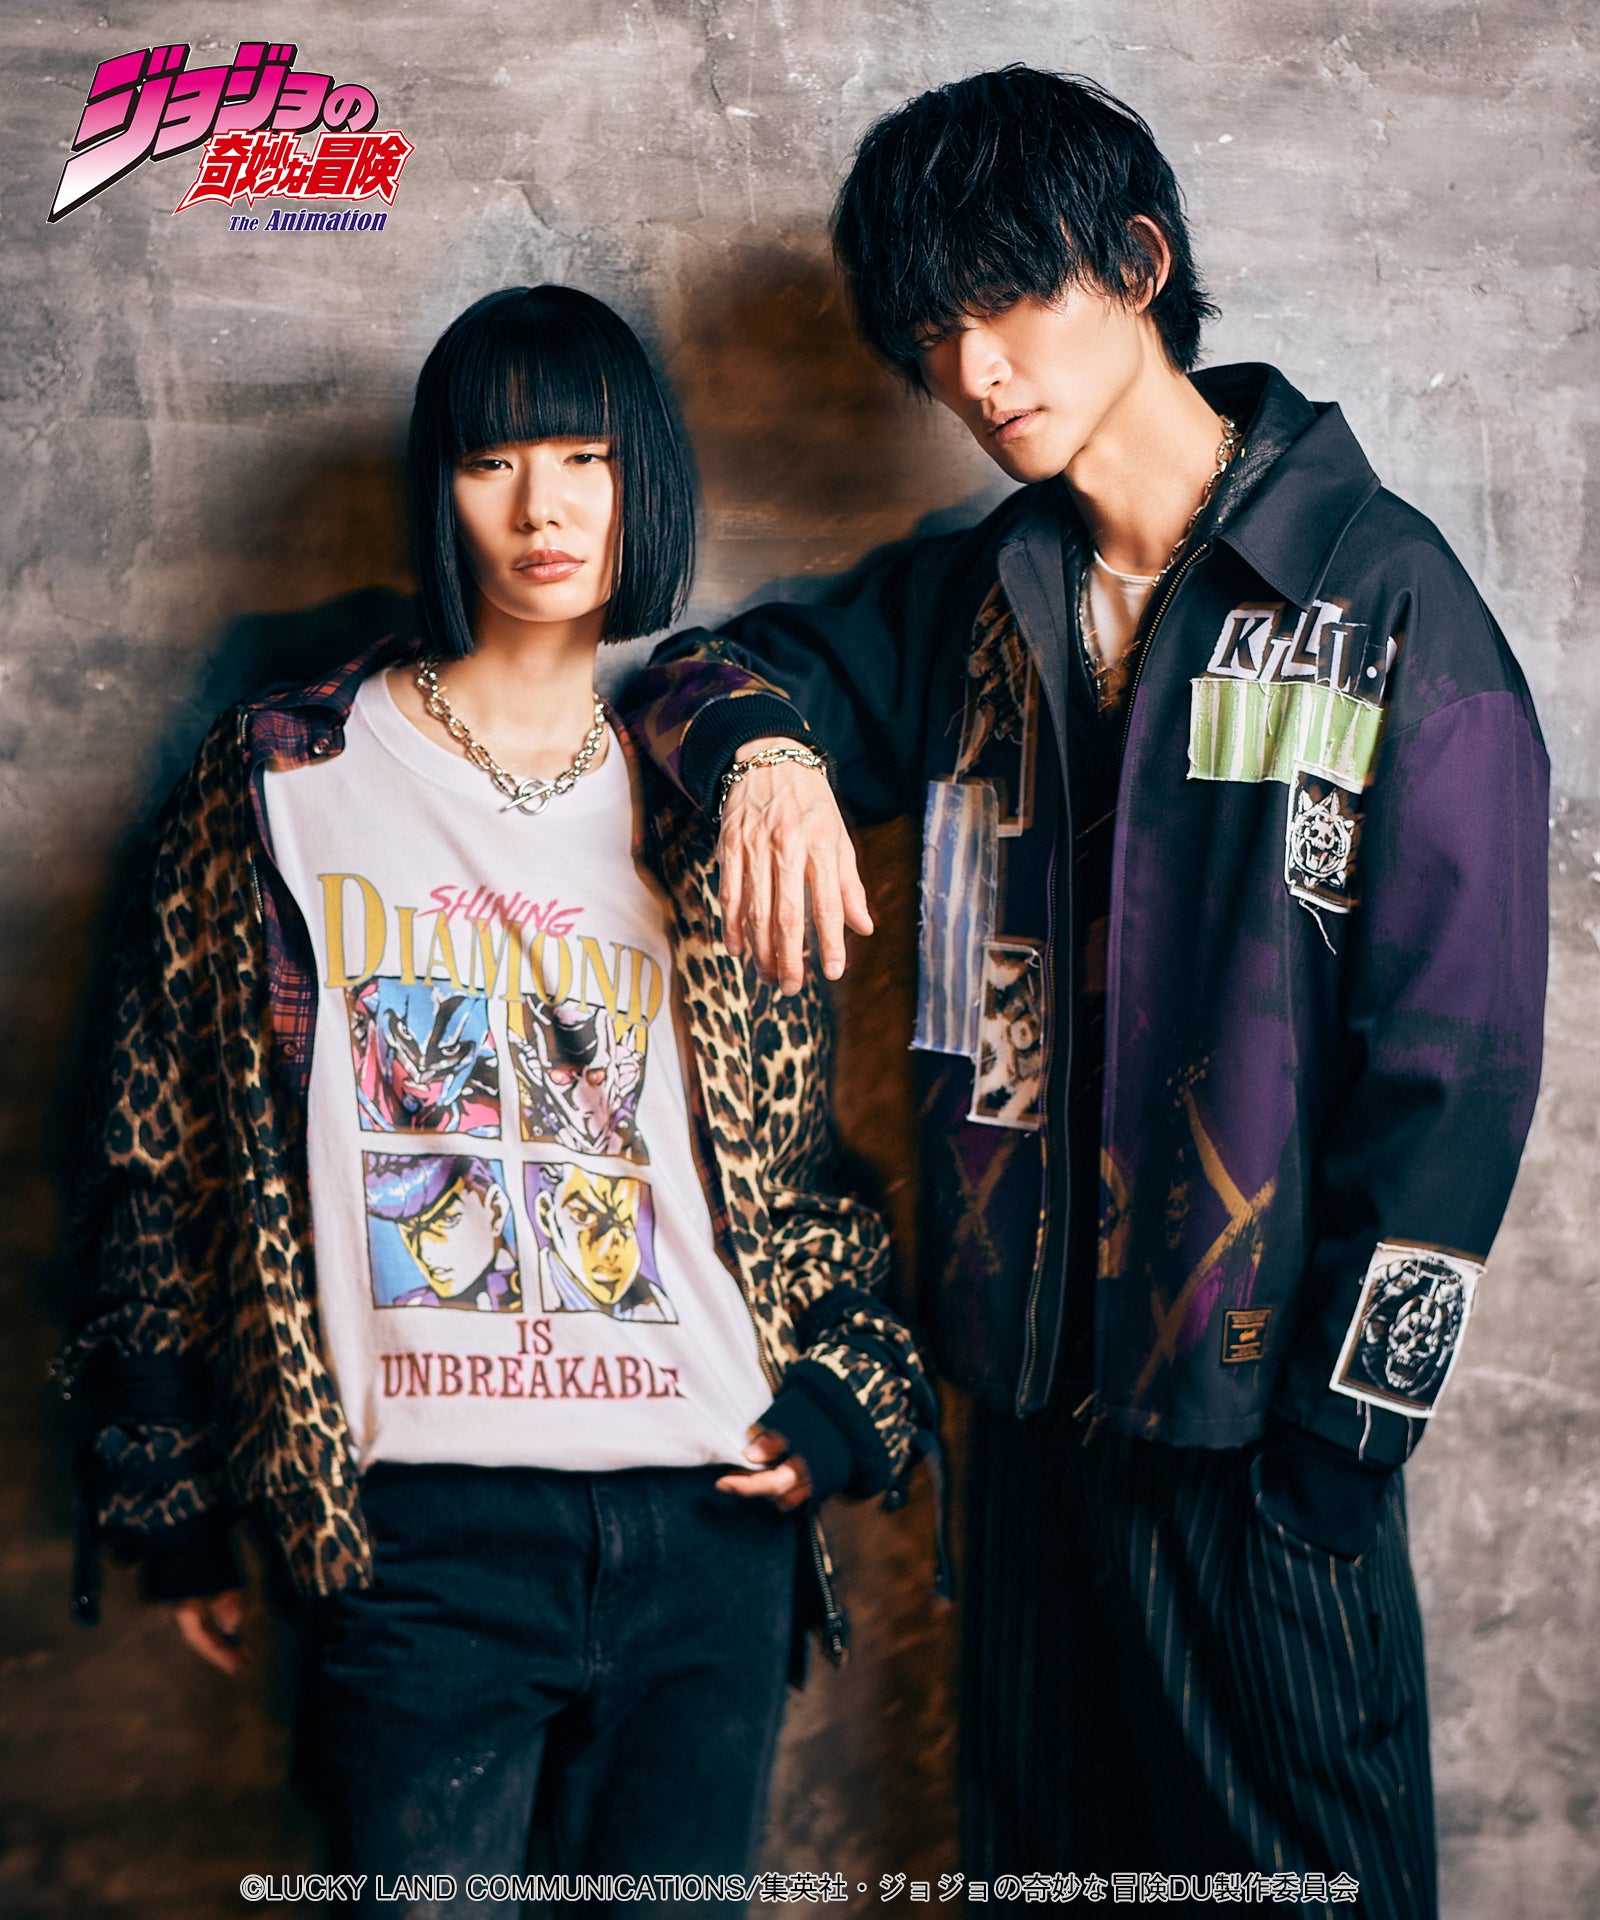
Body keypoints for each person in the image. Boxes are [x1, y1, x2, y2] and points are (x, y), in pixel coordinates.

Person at [619, 69, 1549, 1918]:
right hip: (1028, 1435)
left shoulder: (1382, 609)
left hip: (1256, 1458)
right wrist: (769, 760)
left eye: (1007, 300)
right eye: (932, 333)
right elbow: (696, 678)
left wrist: (1333, 1459)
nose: (974, 372)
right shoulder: (985, 597)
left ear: (1137, 262)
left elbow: (1457, 1084)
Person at [58, 284, 934, 1910]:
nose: (545, 507)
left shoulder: (706, 800)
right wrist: (169, 1490)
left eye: (588, 458)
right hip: (417, 1539)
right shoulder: (285, 780)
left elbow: (791, 1170)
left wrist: (841, 1402)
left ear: (641, 481)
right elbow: (156, 1152)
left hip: (708, 1521)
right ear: (442, 490)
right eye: (495, 461)